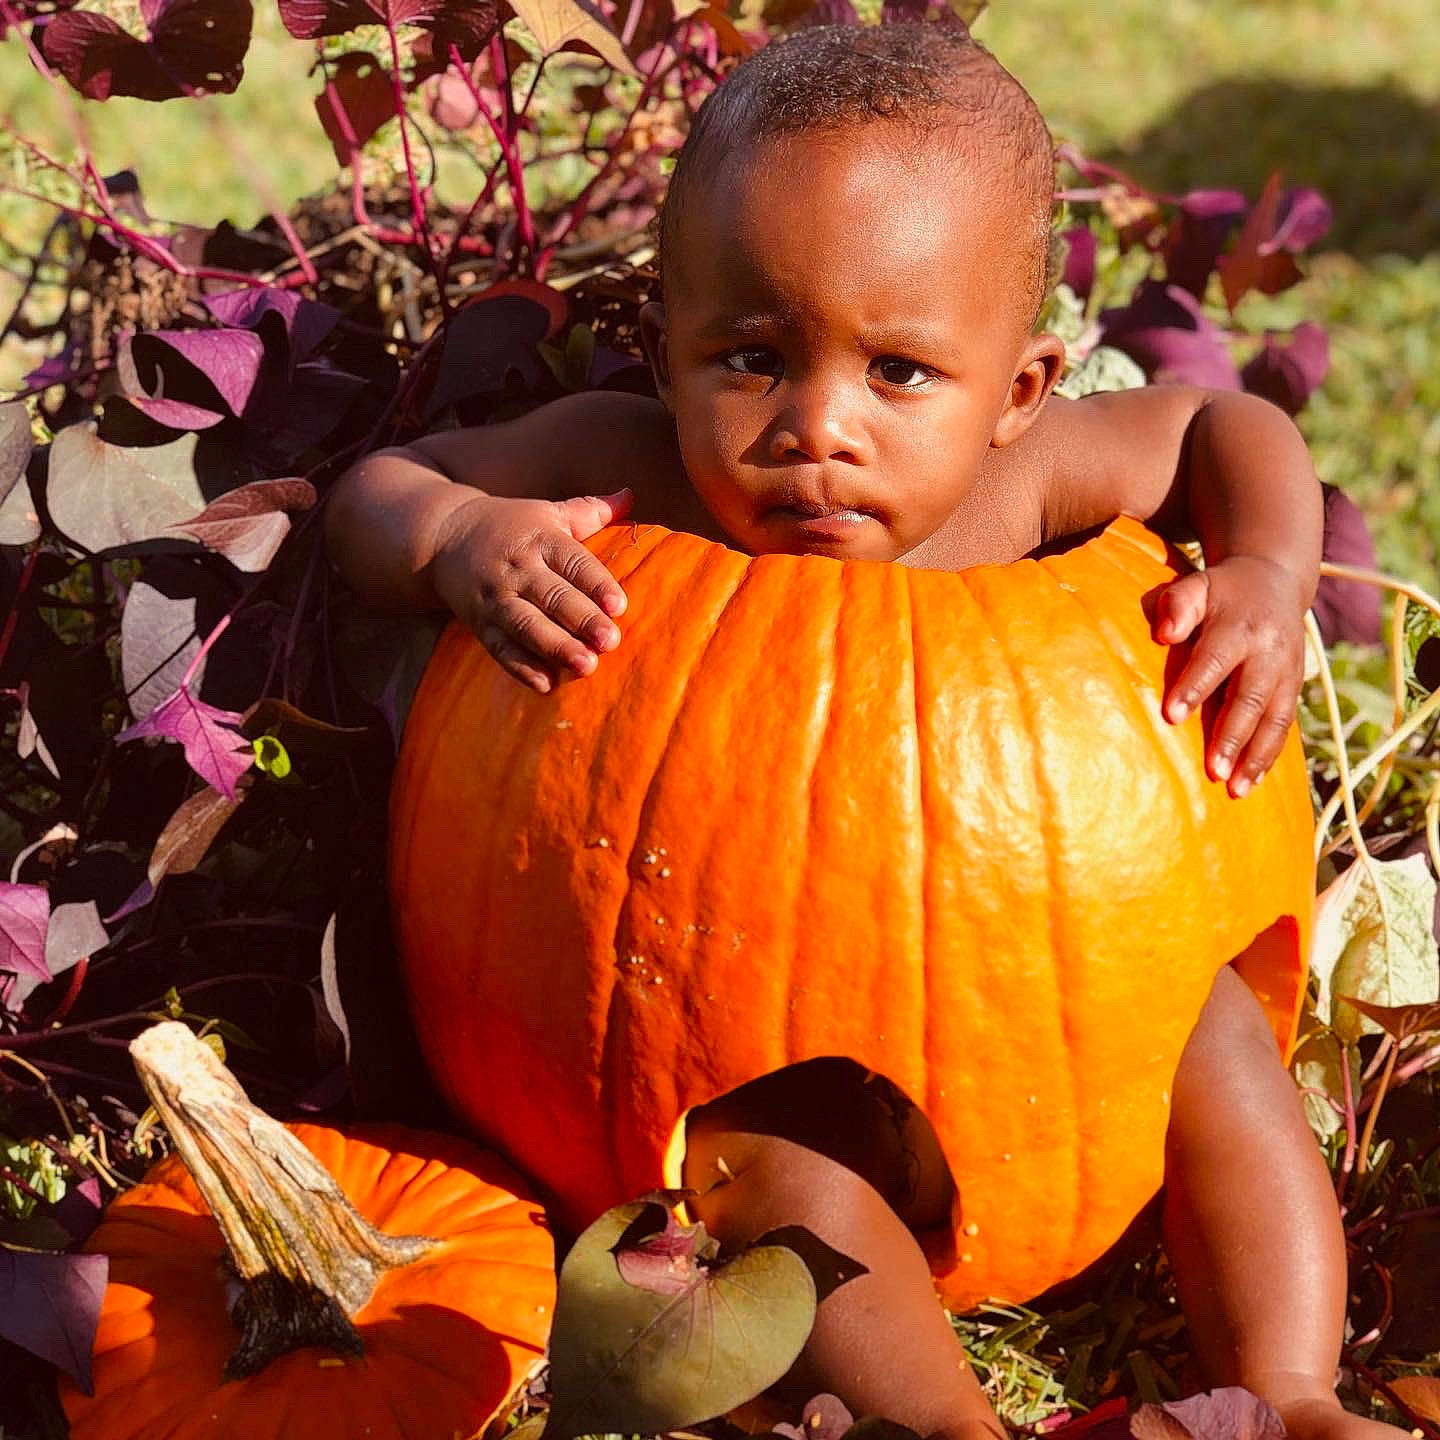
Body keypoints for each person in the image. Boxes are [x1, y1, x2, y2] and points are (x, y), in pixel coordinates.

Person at [327, 23, 1394, 1440]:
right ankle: (946, 1424)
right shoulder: (635, 467)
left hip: (1053, 977)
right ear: (664, 348)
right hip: (733, 1022)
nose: (818, 426)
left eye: (899, 372)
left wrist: (1264, 570)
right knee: (762, 1171)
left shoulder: (1027, 489)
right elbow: (375, 494)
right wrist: (458, 532)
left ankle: (1291, 1388)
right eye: (755, 357)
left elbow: (1225, 428)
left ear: (1019, 394)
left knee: (1210, 1039)